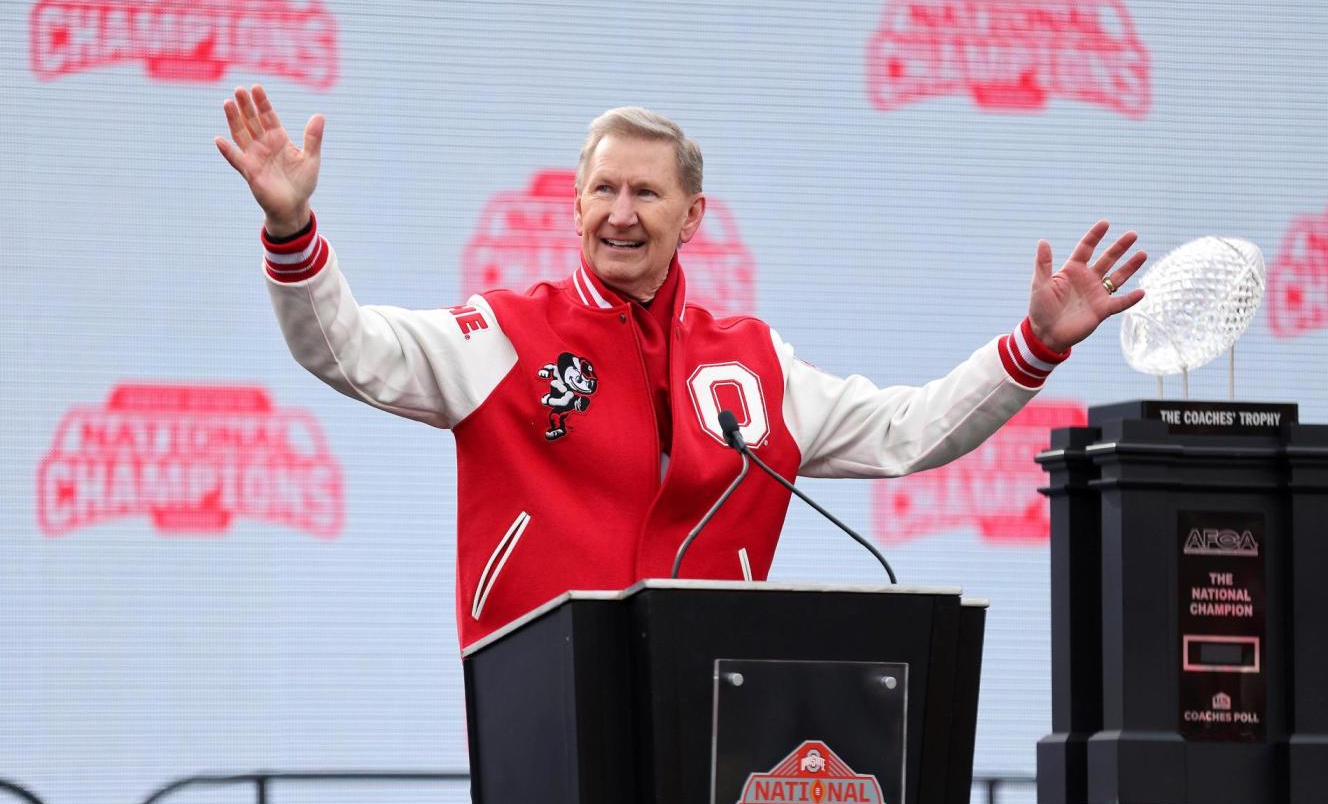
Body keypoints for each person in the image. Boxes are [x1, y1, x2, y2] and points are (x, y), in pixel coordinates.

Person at [216, 85, 1147, 652]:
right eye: (603, 190)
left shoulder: (751, 361)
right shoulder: (505, 332)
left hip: (711, 712)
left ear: (692, 216)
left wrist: (1036, 344)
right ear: (574, 207)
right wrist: (291, 228)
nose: (620, 213)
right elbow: (346, 349)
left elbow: (909, 431)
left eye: (646, 192)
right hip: (541, 708)